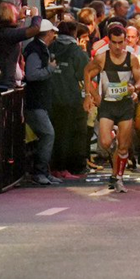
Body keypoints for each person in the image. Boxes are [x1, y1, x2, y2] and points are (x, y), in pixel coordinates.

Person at [83, 24, 140, 194]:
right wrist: (92, 95)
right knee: (105, 142)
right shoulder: (102, 58)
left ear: (126, 41)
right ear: (108, 42)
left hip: (125, 104)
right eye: (114, 43)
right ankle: (114, 152)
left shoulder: (131, 58)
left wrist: (135, 88)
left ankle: (118, 177)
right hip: (108, 105)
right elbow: (87, 72)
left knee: (124, 146)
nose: (118, 47)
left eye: (121, 42)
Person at [49, 20, 89, 178]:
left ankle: (54, 166)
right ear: (74, 34)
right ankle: (69, 168)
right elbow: (83, 74)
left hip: (50, 97)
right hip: (70, 98)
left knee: (55, 134)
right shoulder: (77, 52)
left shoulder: (50, 47)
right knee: (72, 134)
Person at [23, 19, 59, 185]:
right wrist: (49, 69)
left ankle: (43, 171)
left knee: (45, 135)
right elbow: (32, 74)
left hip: (40, 101)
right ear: (48, 33)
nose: (54, 34)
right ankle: (39, 172)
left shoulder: (39, 48)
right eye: (53, 31)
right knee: (48, 134)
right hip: (35, 101)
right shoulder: (35, 50)